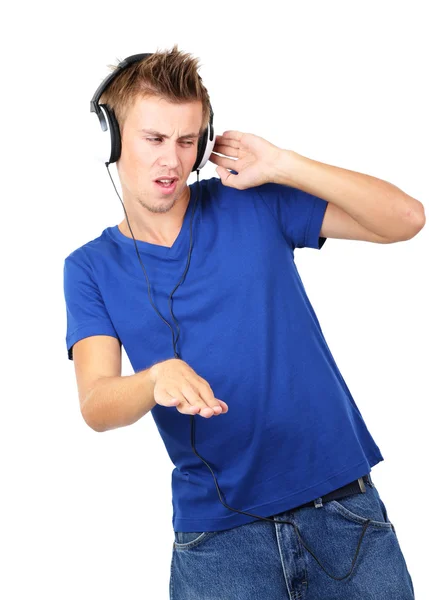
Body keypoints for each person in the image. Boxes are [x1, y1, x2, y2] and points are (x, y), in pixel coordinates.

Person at [63, 45, 424, 599]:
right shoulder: (89, 268)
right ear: (110, 140)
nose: (171, 160)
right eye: (154, 139)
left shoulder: (250, 200)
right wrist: (153, 380)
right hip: (218, 546)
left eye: (187, 141)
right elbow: (97, 404)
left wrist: (283, 164)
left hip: (344, 513)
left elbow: (405, 219)